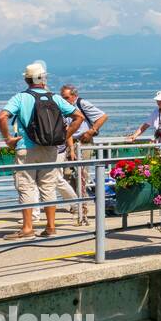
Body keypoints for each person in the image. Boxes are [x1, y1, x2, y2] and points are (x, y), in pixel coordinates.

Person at [0, 62, 82, 239]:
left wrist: (8, 139)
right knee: (49, 187)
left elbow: (2, 116)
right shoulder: (55, 98)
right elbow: (78, 117)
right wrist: (65, 135)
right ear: (43, 79)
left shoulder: (20, 98)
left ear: (26, 79)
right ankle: (50, 227)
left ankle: (28, 228)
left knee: (26, 187)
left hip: (26, 149)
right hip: (50, 149)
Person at [55, 85, 107, 226]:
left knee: (81, 176)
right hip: (69, 141)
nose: (64, 100)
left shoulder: (81, 104)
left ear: (74, 96)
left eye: (66, 97)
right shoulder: (64, 108)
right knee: (66, 176)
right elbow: (67, 129)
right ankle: (75, 205)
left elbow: (103, 116)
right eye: (63, 98)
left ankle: (82, 210)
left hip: (83, 142)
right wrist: (71, 148)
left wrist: (92, 131)